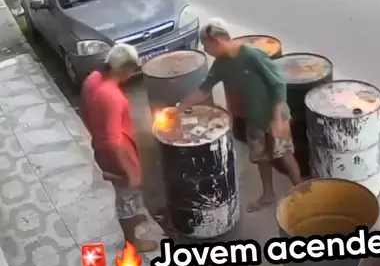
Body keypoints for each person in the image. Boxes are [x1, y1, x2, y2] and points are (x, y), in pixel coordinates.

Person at [177, 19, 302, 213]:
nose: (206, 50)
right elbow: (204, 88)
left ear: (216, 41)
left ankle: (301, 193)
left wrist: (277, 119)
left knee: (285, 156)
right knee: (261, 158)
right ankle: (268, 194)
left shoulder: (252, 56)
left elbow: (278, 85)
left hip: (274, 114)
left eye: (206, 46)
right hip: (253, 118)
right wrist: (180, 108)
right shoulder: (221, 64)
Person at [81, 43, 158, 252]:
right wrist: (128, 171)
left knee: (129, 193)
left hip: (103, 151)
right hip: (118, 155)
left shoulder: (93, 80)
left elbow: (86, 112)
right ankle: (132, 242)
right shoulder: (113, 97)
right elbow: (113, 141)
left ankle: (133, 217)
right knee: (127, 196)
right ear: (125, 69)